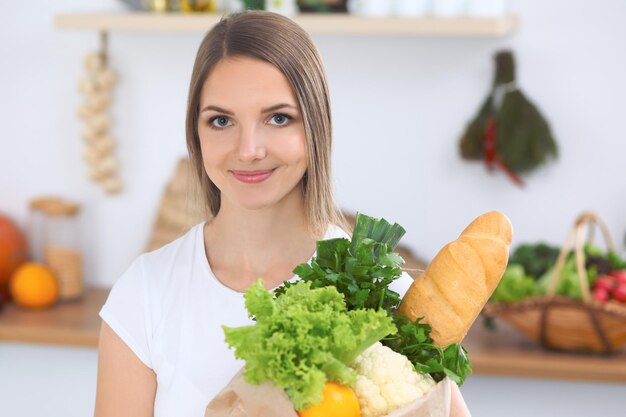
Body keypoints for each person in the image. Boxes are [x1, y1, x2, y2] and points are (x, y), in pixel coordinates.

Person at [94, 10, 471, 417]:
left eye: (278, 118)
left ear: (315, 127)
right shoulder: (145, 294)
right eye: (221, 120)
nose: (249, 149)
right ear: (196, 134)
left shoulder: (386, 294)